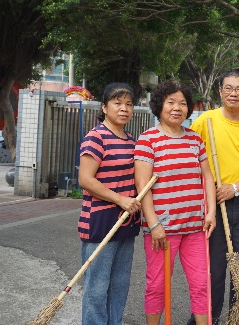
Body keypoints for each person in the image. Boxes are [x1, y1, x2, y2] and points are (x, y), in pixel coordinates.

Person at [187, 68, 239, 325]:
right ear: (220, 92)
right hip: (212, 202)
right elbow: (190, 155)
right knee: (211, 268)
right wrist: (208, 188)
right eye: (228, 88)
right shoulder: (206, 121)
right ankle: (205, 320)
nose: (233, 93)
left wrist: (234, 187)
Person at [134, 80, 217, 325]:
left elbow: (207, 176)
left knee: (202, 285)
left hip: (195, 227)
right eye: (171, 102)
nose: (177, 108)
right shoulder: (148, 140)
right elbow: (143, 186)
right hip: (162, 230)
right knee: (157, 285)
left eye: (182, 103)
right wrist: (154, 224)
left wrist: (210, 213)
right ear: (159, 106)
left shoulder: (194, 139)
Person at [77, 82, 142, 325]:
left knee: (120, 283)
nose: (123, 108)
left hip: (126, 222)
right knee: (97, 285)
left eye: (128, 104)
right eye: (117, 103)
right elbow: (85, 179)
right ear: (104, 107)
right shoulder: (95, 137)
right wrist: (120, 199)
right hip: (100, 221)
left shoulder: (131, 141)